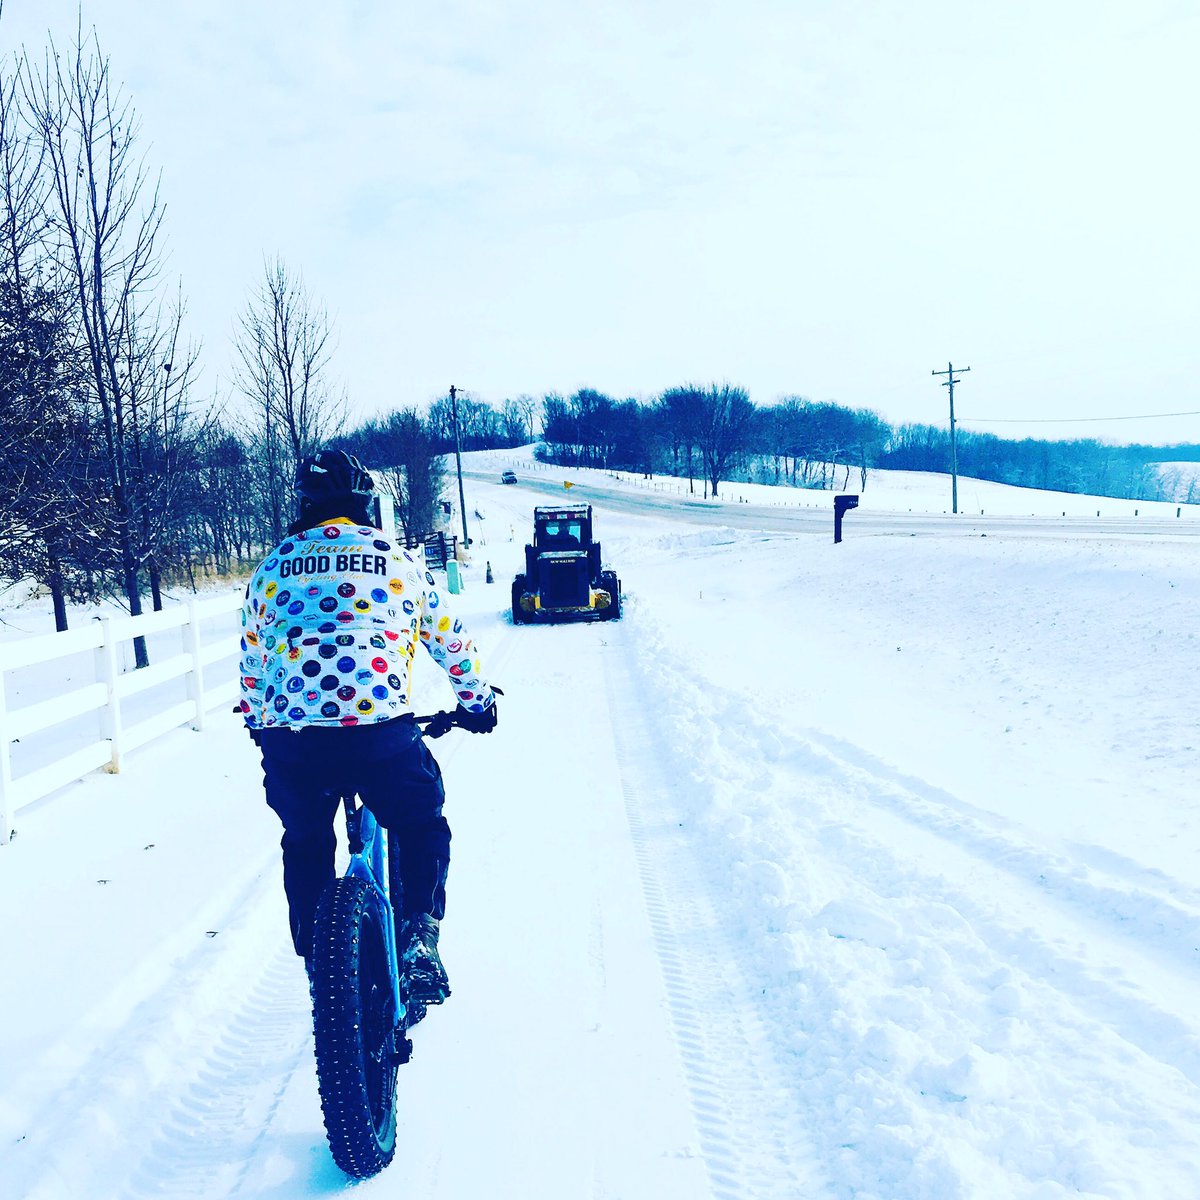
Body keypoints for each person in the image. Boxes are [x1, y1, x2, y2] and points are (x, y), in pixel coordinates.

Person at [239, 448, 498, 1007]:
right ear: (366, 506)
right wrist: (475, 703)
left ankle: (317, 959)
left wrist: (260, 722)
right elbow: (451, 643)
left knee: (305, 839)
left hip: (296, 745)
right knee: (421, 823)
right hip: (379, 737)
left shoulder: (270, 571)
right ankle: (419, 939)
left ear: (305, 508)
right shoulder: (399, 562)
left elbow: (253, 663)